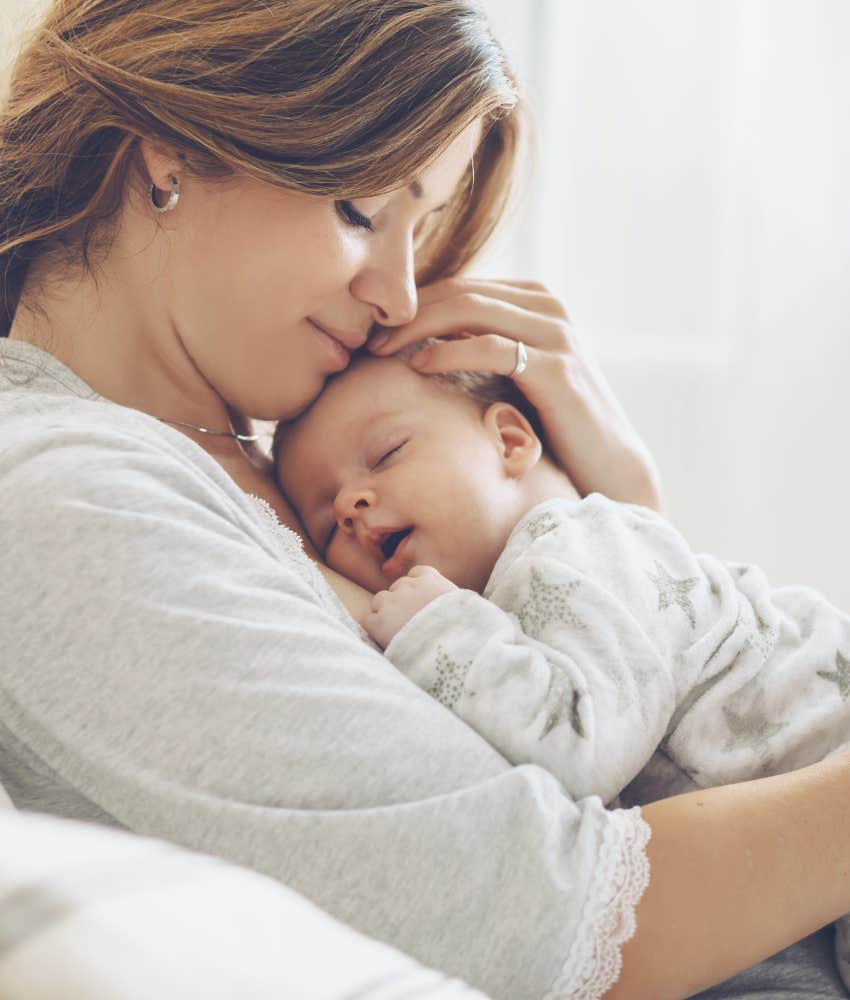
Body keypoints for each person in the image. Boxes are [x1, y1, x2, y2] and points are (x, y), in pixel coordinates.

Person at [2, 2, 850, 998]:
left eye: (425, 229)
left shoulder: (274, 454)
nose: (401, 297)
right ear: (164, 163)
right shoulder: (70, 499)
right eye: (362, 211)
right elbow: (550, 913)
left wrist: (619, 513)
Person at [275, 346, 850, 991]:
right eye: (325, 524)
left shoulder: (579, 543)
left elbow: (582, 750)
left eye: (385, 454)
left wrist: (436, 627)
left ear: (511, 441)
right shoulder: (518, 603)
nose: (351, 503)